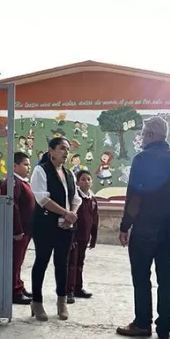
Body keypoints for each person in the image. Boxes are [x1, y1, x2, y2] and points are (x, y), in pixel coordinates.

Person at [114, 117, 170, 339]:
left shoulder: (142, 159)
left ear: (152, 135)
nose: (141, 138)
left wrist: (125, 225)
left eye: (144, 133)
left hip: (145, 227)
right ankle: (164, 329)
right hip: (169, 228)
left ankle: (142, 324)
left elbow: (135, 196)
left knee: (142, 278)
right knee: (166, 278)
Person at [29, 137, 81, 321]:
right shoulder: (40, 171)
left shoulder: (69, 174)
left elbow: (76, 198)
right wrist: (65, 213)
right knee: (41, 262)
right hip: (44, 225)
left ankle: (62, 301)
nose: (65, 152)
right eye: (61, 148)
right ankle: (36, 302)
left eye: (67, 149)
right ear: (51, 150)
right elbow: (42, 199)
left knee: (62, 264)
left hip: (65, 227)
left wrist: (71, 214)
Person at [0, 151, 35, 305]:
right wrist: (17, 229)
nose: (29, 167)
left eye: (28, 164)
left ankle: (18, 285)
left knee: (19, 261)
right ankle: (14, 291)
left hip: (27, 229)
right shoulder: (12, 182)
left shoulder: (23, 182)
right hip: (19, 231)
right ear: (14, 166)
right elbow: (12, 206)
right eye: (25, 164)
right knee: (14, 261)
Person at [66, 169, 99, 302]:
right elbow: (71, 218)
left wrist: (93, 238)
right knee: (71, 264)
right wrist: (71, 236)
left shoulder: (92, 199)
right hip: (74, 237)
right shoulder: (75, 198)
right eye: (83, 179)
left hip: (85, 238)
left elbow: (95, 220)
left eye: (88, 179)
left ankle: (78, 288)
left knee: (80, 263)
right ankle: (69, 291)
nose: (86, 182)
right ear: (77, 182)